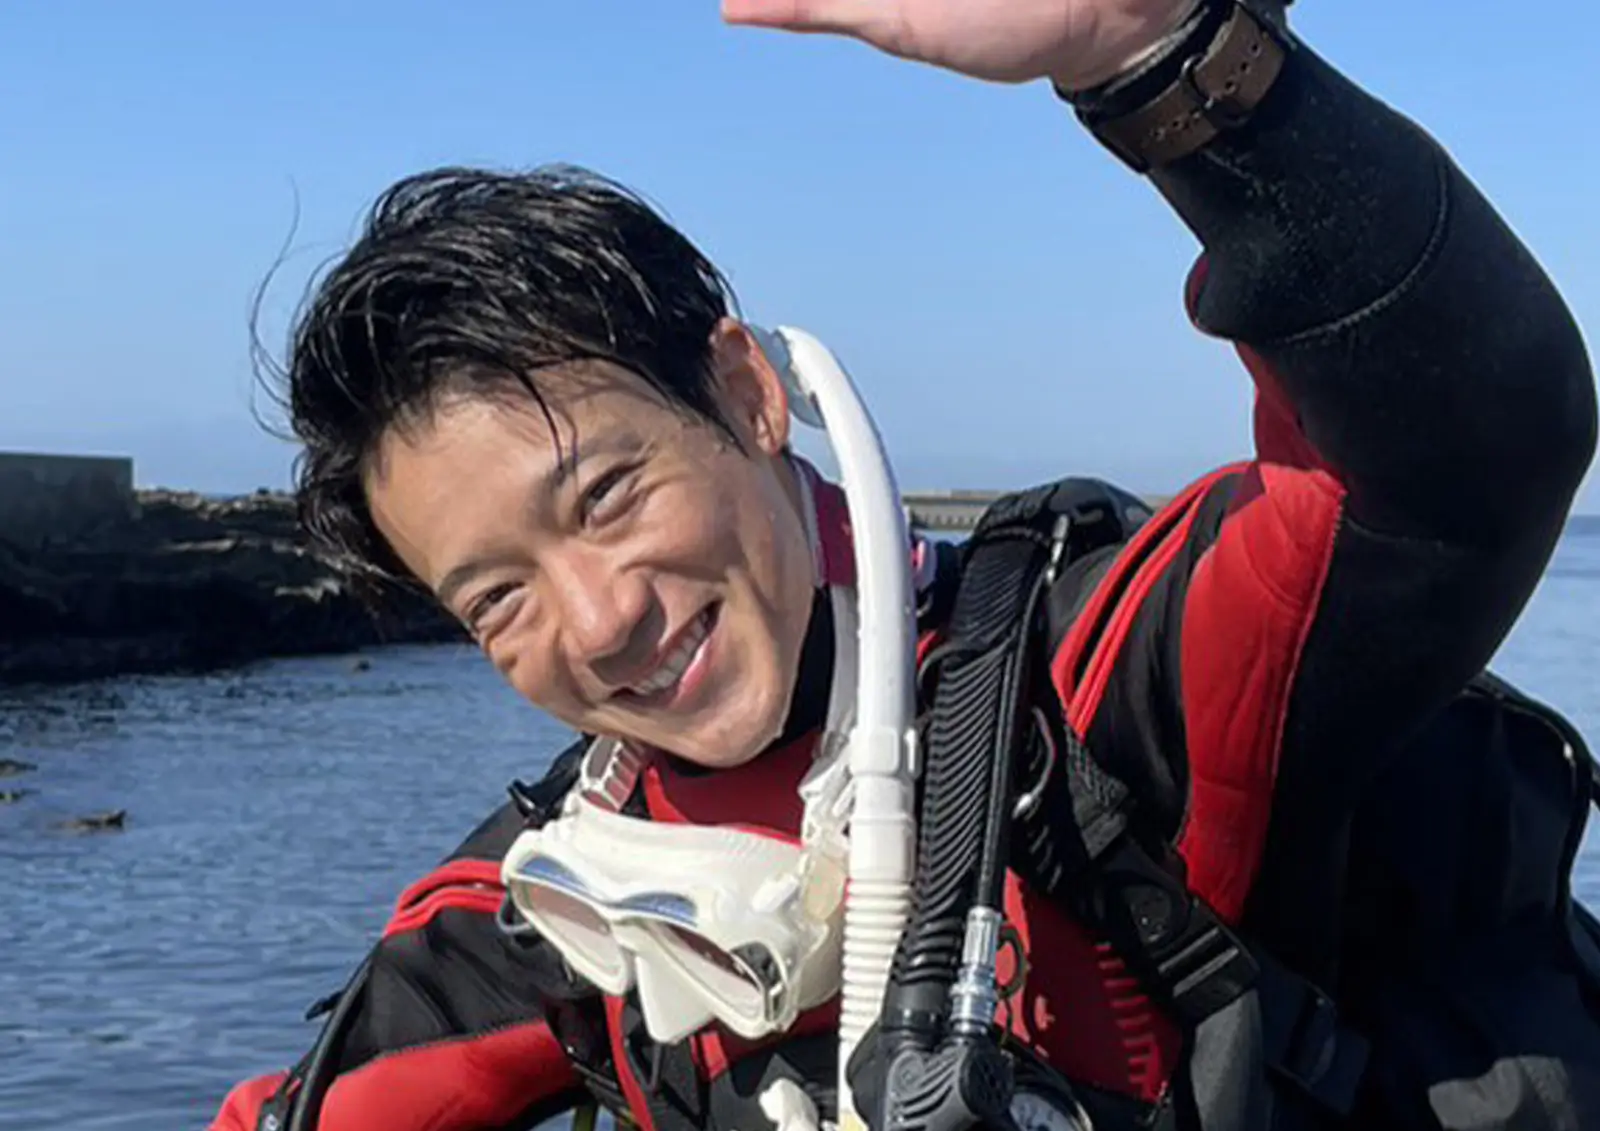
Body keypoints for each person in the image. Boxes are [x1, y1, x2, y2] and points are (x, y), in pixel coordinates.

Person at [212, 1, 1600, 1130]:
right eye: (496, 598)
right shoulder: (554, 900)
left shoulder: (1096, 694)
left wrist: (1164, 56)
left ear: (746, 393)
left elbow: (1460, 455)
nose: (598, 619)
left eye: (610, 494)